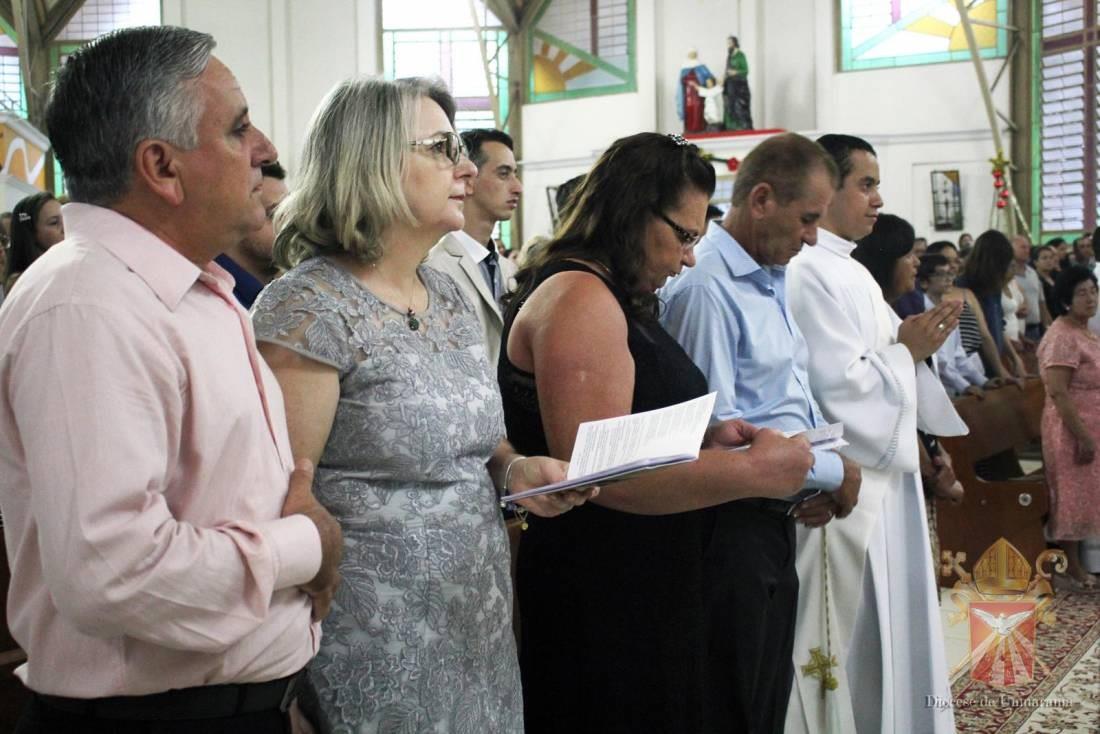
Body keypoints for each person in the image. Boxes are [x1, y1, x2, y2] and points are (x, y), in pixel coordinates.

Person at [0, 26, 343, 733]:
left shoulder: (190, 289)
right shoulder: (88, 307)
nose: (265, 149)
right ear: (162, 166)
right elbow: (112, 570)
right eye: (238, 128)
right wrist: (304, 546)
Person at [252, 76, 591, 733]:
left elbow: (477, 443)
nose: (466, 169)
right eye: (441, 148)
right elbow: (282, 500)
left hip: (475, 624)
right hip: (368, 637)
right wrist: (286, 691)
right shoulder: (308, 307)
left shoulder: (448, 293)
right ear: (370, 161)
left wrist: (517, 471)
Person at [500, 132, 815, 733]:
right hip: (604, 588)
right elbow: (600, 472)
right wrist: (752, 471)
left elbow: (626, 432)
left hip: (640, 577)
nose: (689, 258)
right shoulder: (579, 296)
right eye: (685, 236)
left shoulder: (609, 292)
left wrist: (702, 439)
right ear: (633, 212)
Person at [659, 132, 862, 733]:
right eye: (807, 219)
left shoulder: (769, 278)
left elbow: (787, 405)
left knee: (766, 698)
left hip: (771, 517)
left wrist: (825, 471)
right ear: (762, 199)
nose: (812, 238)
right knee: (733, 702)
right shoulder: (708, 288)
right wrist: (835, 472)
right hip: (729, 528)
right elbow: (716, 437)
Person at [785, 134, 967, 734]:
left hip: (890, 483)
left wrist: (929, 443)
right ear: (826, 188)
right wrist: (906, 351)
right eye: (866, 185)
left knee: (896, 633)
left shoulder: (850, 270)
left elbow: (893, 363)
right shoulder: (808, 272)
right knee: (858, 646)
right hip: (853, 492)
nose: (878, 199)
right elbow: (836, 389)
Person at [427, 128, 521, 366]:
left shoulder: (509, 270)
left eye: (515, 174)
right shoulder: (434, 267)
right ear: (468, 177)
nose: (517, 187)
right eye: (503, 174)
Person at [1038, 265, 1100, 588]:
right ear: (1065, 300)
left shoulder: (1084, 331)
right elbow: (1058, 391)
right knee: (1071, 496)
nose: (1090, 298)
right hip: (1069, 427)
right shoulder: (1062, 335)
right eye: (1081, 293)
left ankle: (1083, 563)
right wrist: (1083, 436)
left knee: (1087, 494)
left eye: (1094, 291)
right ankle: (1071, 567)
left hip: (1091, 421)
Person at [214, 161, 288, 308]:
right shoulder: (215, 298)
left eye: (290, 213)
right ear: (229, 218)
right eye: (273, 214)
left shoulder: (289, 290)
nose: (289, 225)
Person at [958, 230, 1028, 378]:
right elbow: (983, 335)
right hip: (973, 365)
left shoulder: (993, 286)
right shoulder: (964, 287)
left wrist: (1014, 358)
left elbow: (999, 326)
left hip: (995, 361)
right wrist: (1001, 371)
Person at [920, 255, 992, 398]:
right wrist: (964, 385)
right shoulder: (922, 311)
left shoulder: (948, 309)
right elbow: (939, 361)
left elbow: (958, 355)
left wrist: (982, 381)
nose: (948, 279)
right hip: (933, 390)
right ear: (924, 282)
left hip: (952, 388)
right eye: (941, 274)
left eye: (950, 273)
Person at [2, 192, 64, 293]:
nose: (65, 228)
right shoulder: (20, 282)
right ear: (31, 233)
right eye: (54, 223)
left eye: (66, 219)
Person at [1013, 234, 1049, 341]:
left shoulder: (1032, 272)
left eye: (1028, 247)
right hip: (1017, 328)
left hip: (1035, 328)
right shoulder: (1007, 275)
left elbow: (1041, 302)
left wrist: (1047, 326)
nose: (1027, 250)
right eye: (1023, 247)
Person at [723, 35, 753, 130]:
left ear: (735, 43)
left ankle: (742, 126)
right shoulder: (729, 56)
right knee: (730, 105)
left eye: (730, 43)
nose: (728, 45)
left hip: (739, 85)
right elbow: (727, 71)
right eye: (727, 43)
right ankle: (731, 126)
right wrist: (723, 79)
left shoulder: (740, 55)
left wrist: (735, 72)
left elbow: (745, 70)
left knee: (739, 106)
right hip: (730, 84)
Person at [1035, 243, 1063, 320]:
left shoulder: (1056, 276)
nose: (1049, 260)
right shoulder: (1035, 279)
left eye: (1051, 257)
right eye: (1044, 258)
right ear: (1036, 262)